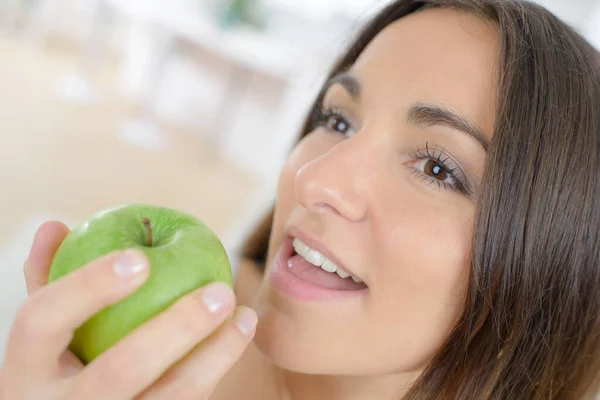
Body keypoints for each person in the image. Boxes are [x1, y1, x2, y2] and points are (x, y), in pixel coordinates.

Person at [1, 0, 599, 398]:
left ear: (555, 263)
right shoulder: (104, 362)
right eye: (337, 120)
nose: (315, 180)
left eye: (438, 168)